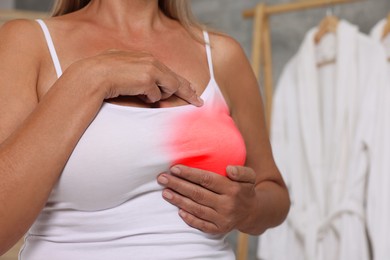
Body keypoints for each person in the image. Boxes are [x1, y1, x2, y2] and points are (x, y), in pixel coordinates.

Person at [0, 0, 290, 259]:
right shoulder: (28, 43)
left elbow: (274, 193)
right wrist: (90, 78)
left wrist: (248, 208)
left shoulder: (222, 54)